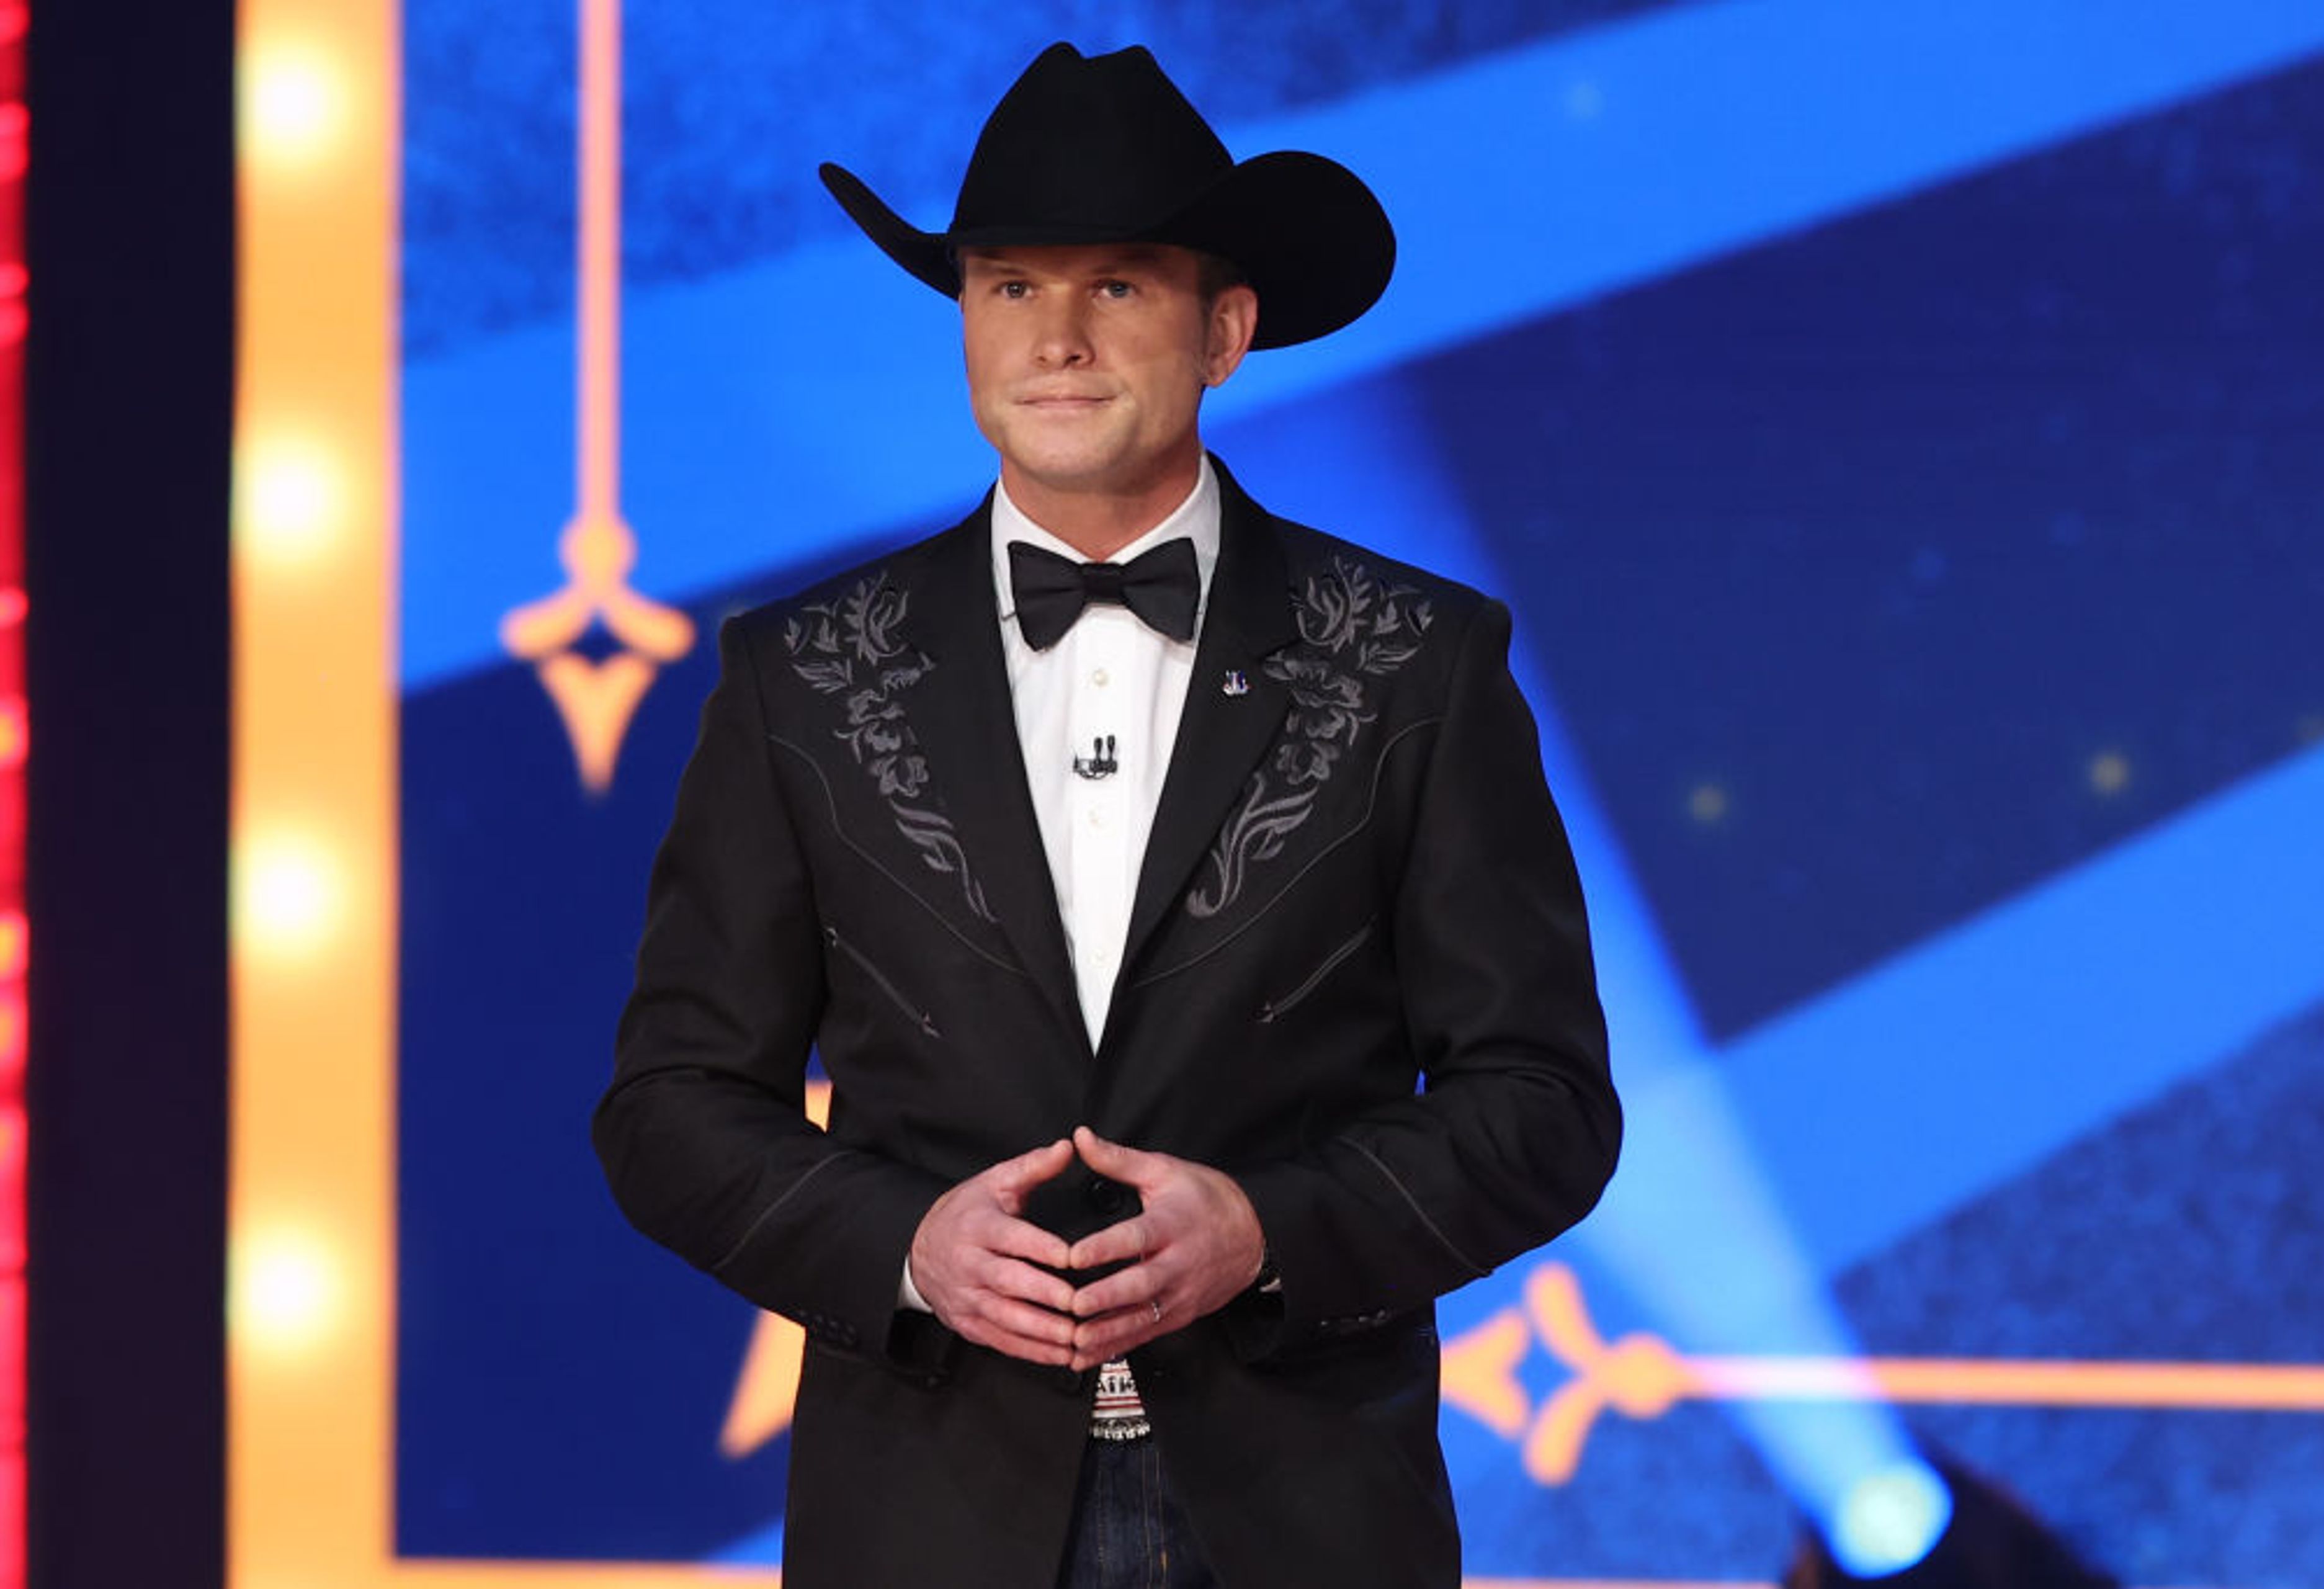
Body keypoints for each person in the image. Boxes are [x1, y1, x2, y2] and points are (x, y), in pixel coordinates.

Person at [595, 40, 1621, 1589]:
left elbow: (1543, 1099)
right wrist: (904, 1250)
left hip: (1305, 1518)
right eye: (1011, 286)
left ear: (1225, 328)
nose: (1057, 339)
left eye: (1119, 287)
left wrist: (1271, 1232)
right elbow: (669, 1104)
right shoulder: (798, 677)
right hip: (925, 1516)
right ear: (964, 322)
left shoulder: (1417, 659)